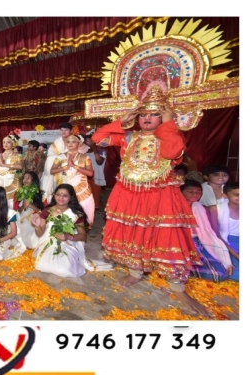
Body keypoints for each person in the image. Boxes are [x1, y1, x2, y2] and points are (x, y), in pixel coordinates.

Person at [92, 83, 207, 316]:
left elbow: (170, 153)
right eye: (143, 114)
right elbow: (98, 138)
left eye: (154, 114)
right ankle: (135, 271)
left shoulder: (171, 135)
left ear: (164, 117)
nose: (146, 118)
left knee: (166, 235)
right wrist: (123, 120)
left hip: (159, 195)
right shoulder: (128, 137)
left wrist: (168, 123)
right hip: (129, 193)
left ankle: (177, 286)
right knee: (133, 232)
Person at [32, 184, 110, 278]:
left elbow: (83, 236)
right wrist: (37, 226)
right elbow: (40, 234)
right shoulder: (47, 211)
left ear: (71, 197)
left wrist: (68, 236)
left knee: (65, 270)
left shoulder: (76, 214)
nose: (61, 198)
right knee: (42, 266)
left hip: (68, 242)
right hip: (49, 242)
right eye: (58, 195)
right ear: (54, 195)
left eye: (65, 195)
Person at [180, 180, 232, 282]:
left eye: (198, 192)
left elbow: (209, 231)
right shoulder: (172, 208)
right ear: (180, 192)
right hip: (179, 243)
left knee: (219, 274)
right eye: (190, 191)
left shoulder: (201, 208)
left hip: (199, 242)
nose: (195, 194)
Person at [50, 134, 95, 225]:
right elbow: (52, 171)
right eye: (68, 142)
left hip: (81, 188)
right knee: (63, 207)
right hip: (64, 186)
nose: (70, 144)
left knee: (84, 208)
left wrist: (75, 166)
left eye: (73, 142)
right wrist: (65, 167)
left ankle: (81, 227)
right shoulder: (60, 157)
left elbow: (90, 173)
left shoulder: (85, 157)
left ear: (79, 143)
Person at [209, 182, 239, 281]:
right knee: (236, 274)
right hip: (225, 243)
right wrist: (237, 256)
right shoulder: (215, 209)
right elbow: (217, 235)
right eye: (237, 195)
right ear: (225, 195)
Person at [0, 132, 23, 207]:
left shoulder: (17, 156)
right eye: (4, 142)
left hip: (11, 180)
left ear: (13, 144)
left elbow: (20, 166)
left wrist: (4, 165)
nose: (5, 144)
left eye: (8, 142)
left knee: (10, 202)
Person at [42, 122, 74, 205]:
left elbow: (79, 154)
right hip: (56, 169)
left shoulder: (76, 140)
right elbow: (50, 156)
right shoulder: (57, 142)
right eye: (61, 130)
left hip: (72, 169)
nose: (63, 132)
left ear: (71, 131)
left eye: (66, 130)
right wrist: (61, 157)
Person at [17, 171, 44, 249]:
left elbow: (44, 213)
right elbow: (17, 212)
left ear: (34, 180)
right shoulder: (20, 193)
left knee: (26, 225)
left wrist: (32, 206)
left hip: (35, 219)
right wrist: (23, 206)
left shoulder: (42, 194)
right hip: (21, 217)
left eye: (29, 178)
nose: (26, 180)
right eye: (24, 178)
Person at [84, 135, 107, 211]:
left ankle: (94, 208)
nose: (86, 143)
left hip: (96, 176)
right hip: (85, 175)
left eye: (88, 141)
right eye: (85, 141)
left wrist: (95, 151)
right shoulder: (83, 151)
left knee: (95, 194)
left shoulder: (101, 150)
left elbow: (99, 162)